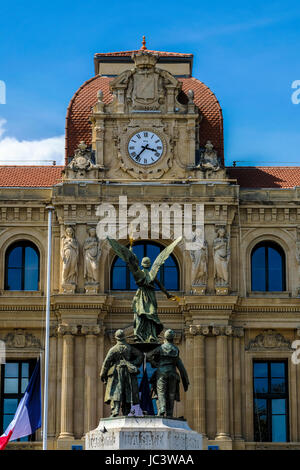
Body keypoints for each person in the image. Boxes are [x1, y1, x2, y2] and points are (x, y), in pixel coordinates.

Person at [100, 329, 143, 417]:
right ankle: (126, 411)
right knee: (127, 390)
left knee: (116, 390)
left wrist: (102, 374)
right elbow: (140, 355)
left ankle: (115, 411)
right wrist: (133, 363)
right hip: (128, 371)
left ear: (116, 338)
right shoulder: (129, 348)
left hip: (116, 371)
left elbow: (106, 363)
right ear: (124, 338)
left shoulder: (113, 349)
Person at [147, 329, 189, 417]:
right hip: (173, 373)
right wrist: (185, 380)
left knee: (161, 392)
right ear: (172, 339)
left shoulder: (161, 348)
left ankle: (162, 408)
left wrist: (155, 364)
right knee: (171, 394)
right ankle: (169, 413)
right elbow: (181, 367)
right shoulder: (176, 349)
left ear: (164, 338)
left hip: (162, 372)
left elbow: (149, 355)